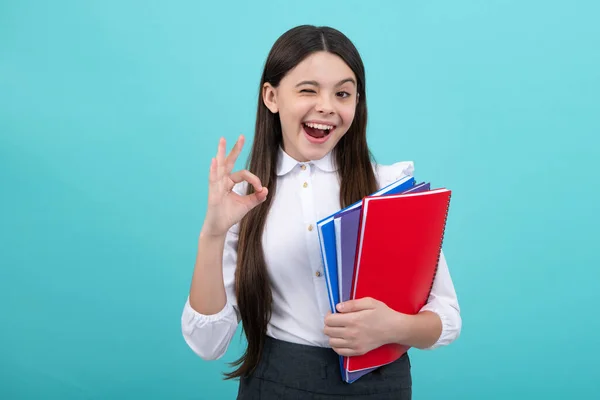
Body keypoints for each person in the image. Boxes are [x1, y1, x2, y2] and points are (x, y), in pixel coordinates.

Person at [181, 25, 461, 399]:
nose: (327, 106)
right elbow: (208, 342)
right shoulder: (242, 201)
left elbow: (446, 318)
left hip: (379, 387)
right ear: (271, 96)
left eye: (342, 93)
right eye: (308, 90)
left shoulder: (389, 188)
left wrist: (392, 327)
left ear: (357, 102)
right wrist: (213, 233)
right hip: (277, 384)